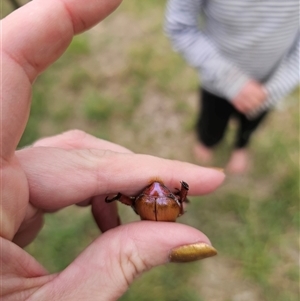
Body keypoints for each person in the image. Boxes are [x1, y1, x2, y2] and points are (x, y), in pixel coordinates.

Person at [1, 1, 226, 300]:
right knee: (153, 199)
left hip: (147, 202)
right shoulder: (164, 202)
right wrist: (173, 196)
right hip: (154, 203)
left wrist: (139, 197)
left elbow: (136, 199)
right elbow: (147, 199)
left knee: (141, 198)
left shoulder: (145, 201)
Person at [165, 0, 299, 174]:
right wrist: (231, 80)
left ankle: (241, 146)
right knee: (211, 123)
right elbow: (180, 27)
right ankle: (207, 143)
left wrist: (273, 89)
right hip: (217, 84)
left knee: (252, 123)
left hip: (267, 86)